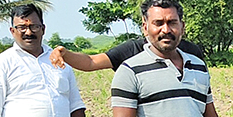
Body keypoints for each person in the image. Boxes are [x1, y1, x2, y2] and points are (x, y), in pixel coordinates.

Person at [50, 36, 203, 71]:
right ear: (145, 25)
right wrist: (65, 53)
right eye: (158, 22)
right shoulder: (133, 49)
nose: (165, 29)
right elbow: (91, 62)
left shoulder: (191, 52)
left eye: (171, 21)